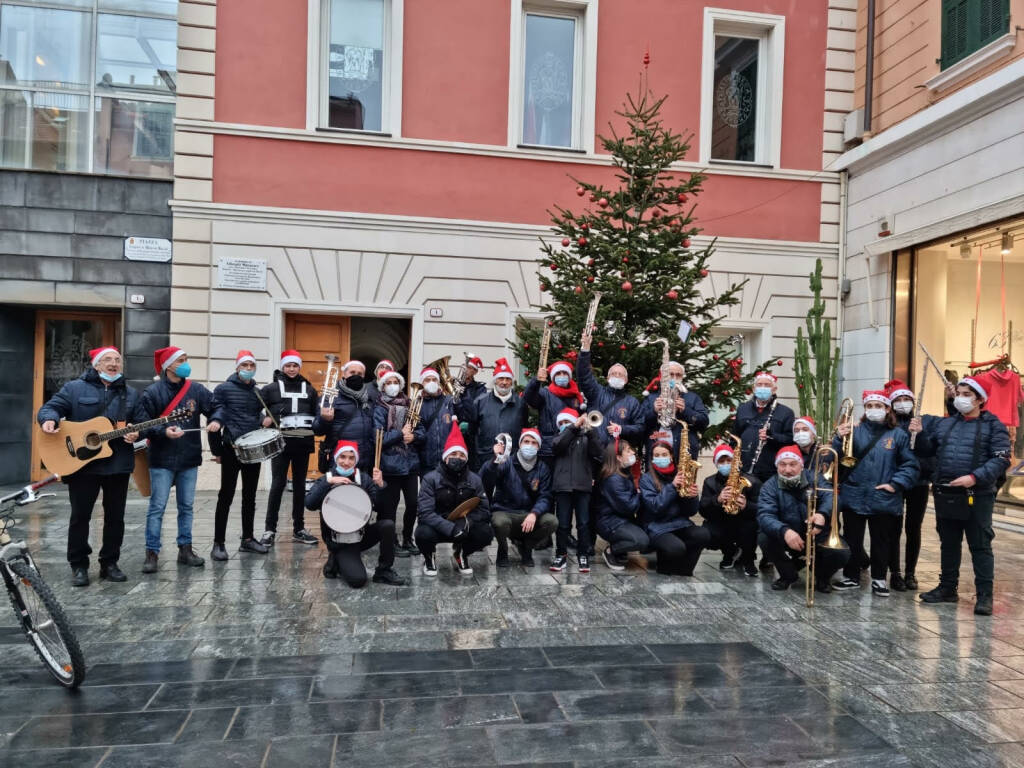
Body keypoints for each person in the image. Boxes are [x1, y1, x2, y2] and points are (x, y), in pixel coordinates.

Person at [38, 346, 143, 586]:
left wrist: (135, 433)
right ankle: (79, 565)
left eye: (117, 359)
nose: (113, 363)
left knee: (115, 517)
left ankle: (110, 563)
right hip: (82, 465)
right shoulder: (74, 388)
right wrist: (49, 419)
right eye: (108, 359)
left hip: (118, 464)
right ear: (96, 364)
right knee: (80, 516)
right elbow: (50, 407)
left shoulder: (131, 394)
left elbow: (141, 422)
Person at [910, 377, 1011, 616]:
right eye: (959, 393)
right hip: (947, 492)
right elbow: (927, 450)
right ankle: (947, 588)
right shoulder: (946, 424)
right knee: (949, 543)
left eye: (966, 394)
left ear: (980, 399)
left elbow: (1001, 458)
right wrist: (920, 434)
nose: (960, 398)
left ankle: (985, 595)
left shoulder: (994, 425)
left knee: (980, 545)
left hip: (978, 494)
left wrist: (974, 477)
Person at [831, 390, 919, 596]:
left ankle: (879, 579)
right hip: (854, 493)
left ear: (887, 409)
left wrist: (895, 484)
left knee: (882, 540)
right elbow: (837, 458)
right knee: (853, 539)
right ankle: (851, 576)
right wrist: (838, 438)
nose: (873, 410)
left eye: (878, 406)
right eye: (869, 406)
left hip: (883, 496)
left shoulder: (898, 434)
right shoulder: (855, 430)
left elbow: (910, 465)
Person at [139, 346, 213, 573]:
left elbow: (216, 407)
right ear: (168, 365)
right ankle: (152, 552)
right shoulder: (151, 393)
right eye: (181, 360)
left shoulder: (197, 390)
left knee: (187, 506)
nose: (185, 363)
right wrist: (163, 431)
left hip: (189, 457)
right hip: (161, 458)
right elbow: (143, 424)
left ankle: (185, 549)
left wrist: (217, 419)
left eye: (185, 359)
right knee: (157, 507)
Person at [305, 441, 405, 587]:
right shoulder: (326, 478)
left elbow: (382, 507)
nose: (346, 462)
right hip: (339, 541)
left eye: (351, 458)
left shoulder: (363, 479)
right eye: (343, 457)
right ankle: (335, 559)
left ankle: (384, 570)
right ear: (336, 458)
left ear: (356, 460)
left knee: (388, 525)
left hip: (360, 535)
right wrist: (329, 482)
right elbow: (309, 504)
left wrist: (381, 485)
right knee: (358, 580)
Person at [757, 445, 850, 591]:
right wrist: (784, 531)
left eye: (793, 464)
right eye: (782, 464)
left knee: (841, 553)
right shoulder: (769, 486)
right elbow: (765, 515)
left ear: (801, 465)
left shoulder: (815, 478)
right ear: (777, 466)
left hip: (816, 533)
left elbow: (833, 497)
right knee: (764, 538)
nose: (787, 470)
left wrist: (822, 514)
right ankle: (788, 575)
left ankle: (822, 577)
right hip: (788, 534)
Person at [208, 350, 271, 560]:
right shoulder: (223, 389)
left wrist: (264, 419)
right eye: (244, 365)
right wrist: (216, 450)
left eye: (251, 366)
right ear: (237, 368)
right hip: (231, 448)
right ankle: (218, 543)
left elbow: (254, 414)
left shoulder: (257, 392)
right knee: (226, 495)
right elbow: (216, 416)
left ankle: (248, 539)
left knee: (250, 496)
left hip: (252, 449)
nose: (248, 369)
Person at [415, 422, 493, 576]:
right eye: (453, 454)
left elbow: (484, 510)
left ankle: (461, 553)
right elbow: (425, 513)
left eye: (462, 455)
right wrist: (450, 527)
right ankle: (429, 557)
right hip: (438, 526)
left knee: (486, 533)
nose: (458, 458)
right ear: (445, 457)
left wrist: (465, 522)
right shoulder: (430, 479)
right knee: (422, 534)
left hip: (463, 525)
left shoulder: (475, 479)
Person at [259, 350, 319, 547]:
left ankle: (299, 529)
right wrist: (263, 420)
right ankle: (269, 530)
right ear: (283, 366)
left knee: (300, 485)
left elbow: (316, 414)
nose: (291, 369)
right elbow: (256, 410)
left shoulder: (310, 390)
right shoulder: (270, 389)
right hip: (280, 443)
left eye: (295, 365)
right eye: (288, 365)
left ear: (299, 367)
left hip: (302, 443)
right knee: (278, 484)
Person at [884, 379, 935, 591]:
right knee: (893, 528)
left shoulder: (923, 421)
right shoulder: (888, 425)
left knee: (913, 528)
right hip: (894, 481)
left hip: (919, 482)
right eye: (899, 400)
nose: (903, 403)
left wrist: (921, 433)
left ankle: (911, 572)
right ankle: (895, 572)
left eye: (907, 399)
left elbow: (929, 451)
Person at [481, 428, 556, 567]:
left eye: (534, 443)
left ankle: (527, 547)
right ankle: (502, 550)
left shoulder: (543, 468)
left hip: (528, 513)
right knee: (499, 522)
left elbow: (545, 496)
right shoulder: (507, 461)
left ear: (539, 447)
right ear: (520, 444)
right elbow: (485, 478)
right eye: (526, 441)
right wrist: (495, 459)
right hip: (505, 511)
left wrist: (534, 513)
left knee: (551, 521)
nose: (529, 445)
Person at [639, 437, 711, 576]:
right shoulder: (646, 479)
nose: (661, 458)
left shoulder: (681, 474)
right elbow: (655, 507)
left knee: (703, 534)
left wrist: (692, 496)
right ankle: (664, 569)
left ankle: (685, 571)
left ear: (671, 456)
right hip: (657, 526)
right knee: (676, 548)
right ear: (652, 459)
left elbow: (691, 511)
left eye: (664, 455)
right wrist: (672, 487)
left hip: (680, 523)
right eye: (657, 456)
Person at [550, 409, 604, 572]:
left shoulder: (587, 437)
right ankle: (561, 554)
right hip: (563, 486)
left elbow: (599, 453)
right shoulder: (560, 437)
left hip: (583, 485)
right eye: (562, 424)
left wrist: (590, 431)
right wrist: (572, 428)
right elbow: (557, 446)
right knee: (563, 524)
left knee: (584, 523)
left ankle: (583, 554)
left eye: (568, 422)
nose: (564, 425)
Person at [374, 369, 420, 556]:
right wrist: (400, 433)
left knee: (413, 504)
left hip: (410, 464)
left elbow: (422, 431)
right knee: (389, 507)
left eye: (396, 382)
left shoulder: (411, 405)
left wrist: (414, 436)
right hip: (390, 465)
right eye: (388, 382)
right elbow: (379, 438)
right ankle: (391, 542)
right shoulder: (379, 408)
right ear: (383, 386)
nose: (393, 385)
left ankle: (408, 538)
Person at [699, 442, 761, 577]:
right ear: (716, 463)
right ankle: (730, 553)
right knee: (708, 532)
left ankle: (748, 560)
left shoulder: (752, 481)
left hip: (744, 522)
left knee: (751, 527)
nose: (726, 463)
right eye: (721, 461)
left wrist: (746, 506)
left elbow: (762, 509)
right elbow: (703, 510)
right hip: (722, 520)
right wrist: (717, 499)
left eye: (729, 460)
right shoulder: (709, 482)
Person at [576, 331, 643, 449]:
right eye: (613, 374)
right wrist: (585, 350)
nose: (617, 376)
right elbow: (584, 376)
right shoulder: (597, 392)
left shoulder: (632, 402)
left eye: (620, 375)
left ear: (626, 380)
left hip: (617, 455)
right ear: (607, 378)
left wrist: (622, 429)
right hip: (594, 450)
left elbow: (640, 427)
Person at [463, 358, 527, 473]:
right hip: (485, 459)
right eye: (501, 378)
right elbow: (472, 432)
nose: (504, 382)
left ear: (511, 382)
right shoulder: (480, 402)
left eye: (507, 379)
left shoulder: (520, 403)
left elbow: (524, 426)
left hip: (512, 460)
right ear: (495, 381)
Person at [313, 359, 376, 473]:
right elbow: (317, 430)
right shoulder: (330, 396)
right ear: (344, 374)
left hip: (365, 460)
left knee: (363, 491)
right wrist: (325, 420)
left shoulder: (369, 398)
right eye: (352, 372)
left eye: (360, 374)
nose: (356, 376)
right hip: (340, 459)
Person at [594, 441, 647, 570]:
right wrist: (639, 494)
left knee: (650, 534)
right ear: (618, 457)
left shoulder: (623, 472)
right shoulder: (613, 478)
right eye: (628, 451)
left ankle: (621, 547)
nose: (633, 453)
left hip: (620, 519)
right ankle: (611, 551)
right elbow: (628, 506)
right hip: (610, 522)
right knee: (641, 541)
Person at [733, 371, 795, 481]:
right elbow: (734, 437)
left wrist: (772, 436)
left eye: (767, 385)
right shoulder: (743, 409)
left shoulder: (786, 412)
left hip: (771, 472)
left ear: (774, 389)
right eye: (759, 385)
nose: (763, 387)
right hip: (744, 469)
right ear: (753, 388)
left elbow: (790, 440)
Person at [641, 361, 709, 461]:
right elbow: (640, 422)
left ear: (682, 377)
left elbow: (704, 421)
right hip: (656, 455)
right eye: (670, 374)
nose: (674, 378)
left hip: (684, 456)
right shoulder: (651, 398)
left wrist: (685, 411)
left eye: (678, 375)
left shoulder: (692, 398)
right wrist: (654, 411)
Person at [524, 360, 586, 467]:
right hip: (548, 450)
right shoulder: (544, 393)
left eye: (564, 373)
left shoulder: (577, 397)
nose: (561, 376)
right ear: (553, 377)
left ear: (569, 376)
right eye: (558, 373)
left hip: (571, 448)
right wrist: (536, 380)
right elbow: (529, 397)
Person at [415, 365, 458, 477]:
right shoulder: (417, 404)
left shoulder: (448, 401)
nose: (431, 382)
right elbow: (416, 432)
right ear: (422, 383)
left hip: (448, 460)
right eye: (427, 380)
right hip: (426, 463)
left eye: (434, 379)